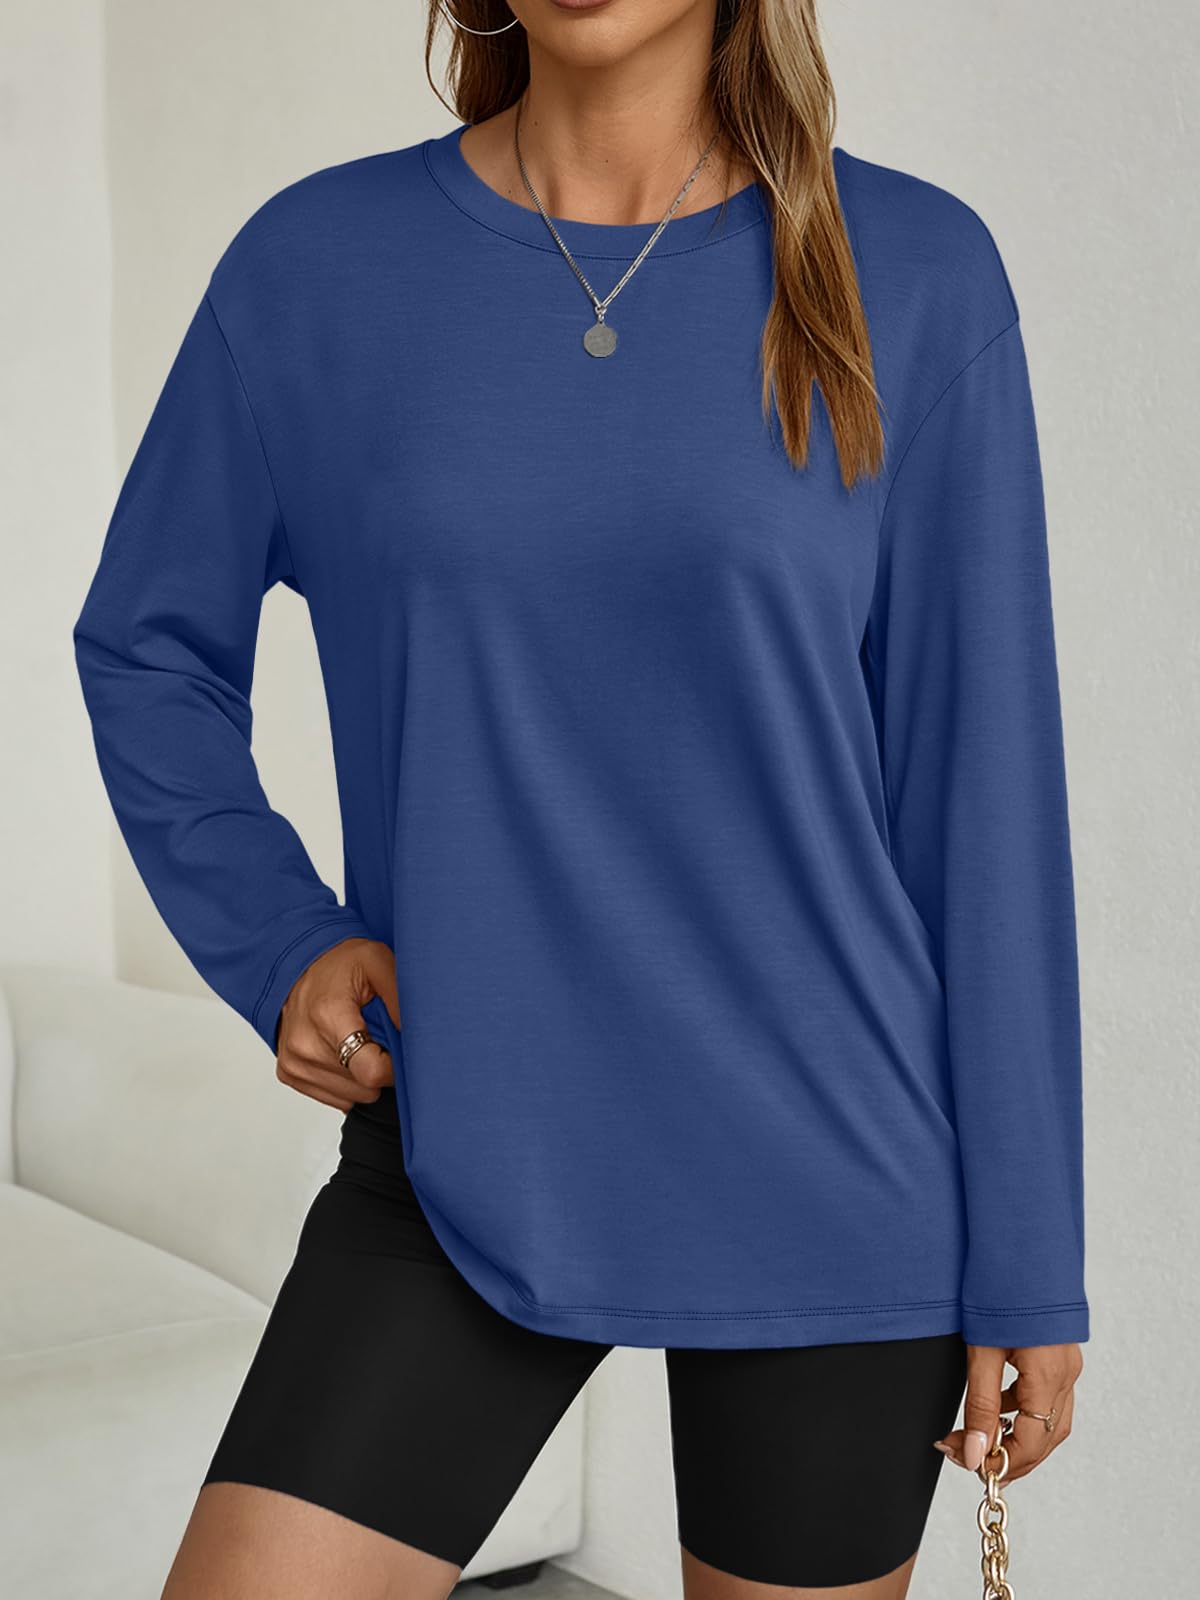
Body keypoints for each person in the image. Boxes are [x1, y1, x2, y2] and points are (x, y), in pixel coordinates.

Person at [72, 2, 1089, 1596]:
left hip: (830, 1164)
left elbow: (986, 798)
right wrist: (280, 939)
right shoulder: (317, 267)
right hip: (460, 1133)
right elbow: (147, 645)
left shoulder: (915, 269)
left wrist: (1029, 1258)